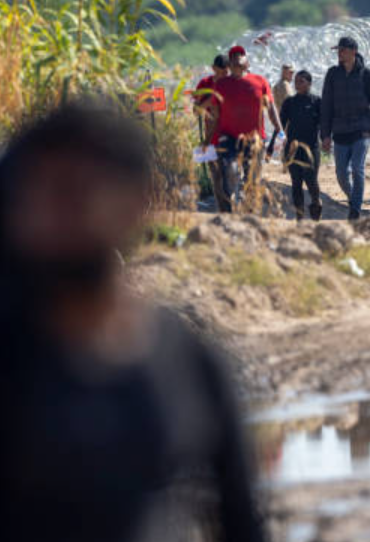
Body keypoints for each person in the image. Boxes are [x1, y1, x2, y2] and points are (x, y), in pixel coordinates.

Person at [0, 101, 265, 542]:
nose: (55, 217)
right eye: (39, 195)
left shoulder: (185, 358)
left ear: (133, 200)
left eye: (75, 192)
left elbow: (242, 522)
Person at [320, 36, 370, 221]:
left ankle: (355, 209)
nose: (339, 53)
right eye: (338, 50)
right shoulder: (333, 74)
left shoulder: (366, 75)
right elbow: (326, 105)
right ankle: (354, 200)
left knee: (357, 168)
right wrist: (325, 135)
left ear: (353, 51)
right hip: (340, 131)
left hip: (362, 129)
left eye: (342, 50)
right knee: (341, 173)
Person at [205, 50, 278, 212]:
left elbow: (271, 107)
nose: (237, 60)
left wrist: (279, 129)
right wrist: (207, 140)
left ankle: (250, 211)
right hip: (229, 138)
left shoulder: (260, 81)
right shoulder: (222, 85)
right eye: (234, 58)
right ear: (229, 65)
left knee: (252, 178)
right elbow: (214, 115)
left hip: (255, 139)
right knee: (230, 171)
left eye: (241, 57)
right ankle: (229, 208)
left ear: (247, 63)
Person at [280, 69, 323, 221]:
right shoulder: (289, 103)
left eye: (301, 81)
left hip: (311, 149)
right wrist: (274, 143)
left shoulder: (317, 102)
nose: (297, 84)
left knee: (311, 181)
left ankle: (316, 203)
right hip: (293, 149)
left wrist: (326, 139)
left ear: (309, 83)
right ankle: (299, 217)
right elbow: (281, 125)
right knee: (296, 183)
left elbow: (324, 124)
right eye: (296, 81)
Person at [194, 54, 230, 206]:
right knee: (216, 176)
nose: (222, 76)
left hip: (230, 136)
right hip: (210, 137)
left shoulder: (233, 83)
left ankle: (228, 207)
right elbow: (196, 111)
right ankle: (223, 209)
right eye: (219, 72)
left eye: (225, 72)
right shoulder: (204, 83)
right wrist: (212, 99)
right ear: (213, 68)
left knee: (229, 176)